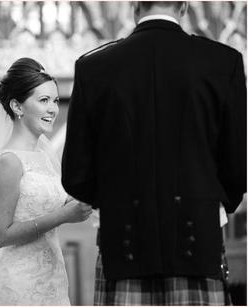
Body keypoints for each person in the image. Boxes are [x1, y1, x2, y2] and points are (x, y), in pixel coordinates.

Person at [61, 1, 246, 305]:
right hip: (198, 240)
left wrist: (113, 203)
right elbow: (238, 167)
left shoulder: (93, 67)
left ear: (134, 6)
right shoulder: (224, 62)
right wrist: (209, 206)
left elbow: (76, 176)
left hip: (123, 244)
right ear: (184, 6)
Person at [0, 57, 93, 305]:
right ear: (17, 107)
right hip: (19, 284)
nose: (53, 109)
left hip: (53, 278)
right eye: (43, 100)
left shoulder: (45, 157)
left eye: (55, 100)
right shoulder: (9, 162)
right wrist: (64, 215)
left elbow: (60, 202)